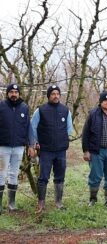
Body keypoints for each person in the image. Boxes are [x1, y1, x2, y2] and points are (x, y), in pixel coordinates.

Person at [31, 85, 73, 213]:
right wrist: (35, 142)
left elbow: (69, 129)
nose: (55, 96)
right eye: (53, 94)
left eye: (57, 94)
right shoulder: (40, 110)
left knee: (60, 176)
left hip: (61, 150)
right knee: (43, 177)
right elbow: (33, 128)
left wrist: (65, 140)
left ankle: (58, 202)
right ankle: (41, 204)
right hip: (46, 150)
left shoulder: (65, 110)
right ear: (49, 95)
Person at [0, 84, 35, 214]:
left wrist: (31, 145)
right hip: (3, 147)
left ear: (19, 94)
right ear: (7, 93)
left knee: (14, 174)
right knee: (1, 174)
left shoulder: (24, 108)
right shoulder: (1, 106)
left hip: (19, 147)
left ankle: (11, 204)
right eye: (11, 92)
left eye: (16, 92)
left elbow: (28, 127)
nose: (14, 94)